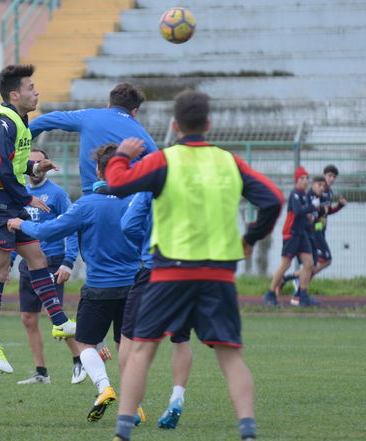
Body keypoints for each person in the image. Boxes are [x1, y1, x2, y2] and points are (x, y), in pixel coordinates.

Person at [104, 90, 284, 441]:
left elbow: (118, 184)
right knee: (230, 356)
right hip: (218, 273)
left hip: (171, 270)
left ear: (175, 125)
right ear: (209, 124)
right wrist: (250, 238)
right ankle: (248, 432)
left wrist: (122, 156)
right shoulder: (229, 161)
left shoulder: (166, 160)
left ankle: (122, 433)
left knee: (142, 349)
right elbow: (273, 200)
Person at [7, 144, 140, 423]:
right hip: (134, 285)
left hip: (100, 287)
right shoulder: (136, 200)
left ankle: (104, 388)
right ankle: (133, 405)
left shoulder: (87, 204)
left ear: (98, 170)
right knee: (128, 345)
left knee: (85, 343)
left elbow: (47, 229)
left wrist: (21, 225)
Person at [0, 64, 76, 374]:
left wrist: (34, 170)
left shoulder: (19, 120)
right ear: (14, 94)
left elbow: (11, 166)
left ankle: (59, 320)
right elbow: (0, 170)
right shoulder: (3, 122)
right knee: (0, 270)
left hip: (5, 204)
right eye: (31, 88)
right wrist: (27, 196)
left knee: (37, 257)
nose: (36, 92)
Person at [120, 190, 193, 429]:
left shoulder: (150, 186)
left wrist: (146, 243)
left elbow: (128, 225)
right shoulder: (198, 184)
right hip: (186, 271)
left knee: (130, 337)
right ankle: (177, 397)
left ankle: (132, 408)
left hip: (154, 269)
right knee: (180, 338)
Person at [13, 149, 83, 385]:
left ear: (45, 165)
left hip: (52, 261)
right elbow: (14, 230)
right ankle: (41, 372)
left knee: (57, 318)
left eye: (38, 161)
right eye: (30, 162)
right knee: (27, 318)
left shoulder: (58, 194)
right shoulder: (19, 194)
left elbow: (72, 227)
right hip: (27, 261)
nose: (34, 166)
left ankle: (79, 360)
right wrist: (9, 262)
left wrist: (68, 262)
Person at [29, 82, 158, 195]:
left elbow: (45, 120)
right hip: (126, 197)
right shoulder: (140, 133)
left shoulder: (89, 116)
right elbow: (158, 165)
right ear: (134, 111)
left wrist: (20, 139)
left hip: (92, 196)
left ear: (109, 105)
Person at [281, 165, 347, 303]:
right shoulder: (312, 193)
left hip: (320, 232)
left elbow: (326, 213)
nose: (331, 179)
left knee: (313, 264)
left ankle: (294, 285)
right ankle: (297, 287)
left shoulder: (329, 193)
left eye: (334, 177)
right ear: (323, 175)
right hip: (313, 233)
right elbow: (309, 216)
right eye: (329, 176)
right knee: (325, 260)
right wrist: (318, 224)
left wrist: (339, 206)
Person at [264, 166, 319, 307]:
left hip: (302, 234)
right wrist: (312, 207)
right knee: (286, 264)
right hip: (291, 234)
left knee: (309, 264)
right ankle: (270, 294)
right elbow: (298, 211)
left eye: (307, 178)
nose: (305, 181)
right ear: (296, 180)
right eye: (302, 178)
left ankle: (303, 296)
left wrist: (311, 218)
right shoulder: (294, 194)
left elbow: (304, 215)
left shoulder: (305, 196)